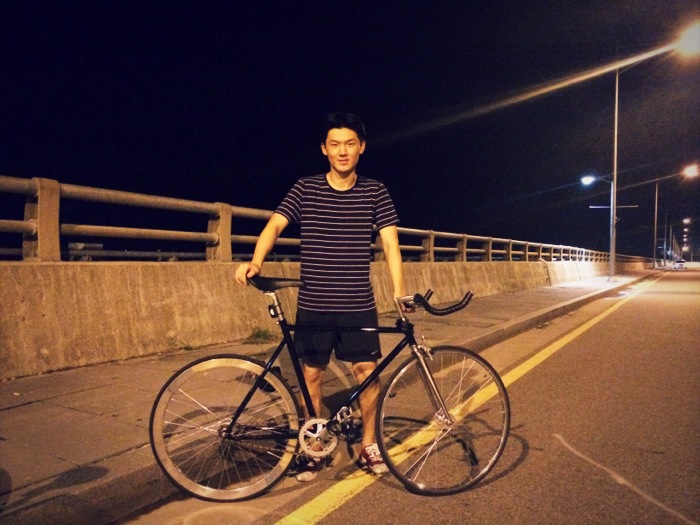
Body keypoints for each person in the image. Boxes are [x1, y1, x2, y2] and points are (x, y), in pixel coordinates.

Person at [234, 112, 407, 481]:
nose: (342, 151)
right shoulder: (305, 188)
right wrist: (256, 261)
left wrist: (398, 291)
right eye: (335, 144)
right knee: (311, 376)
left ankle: (369, 444)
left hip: (358, 303)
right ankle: (313, 446)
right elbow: (275, 225)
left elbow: (391, 244)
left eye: (349, 144)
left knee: (367, 374)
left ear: (361, 147)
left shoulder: (375, 191)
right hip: (314, 302)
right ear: (324, 149)